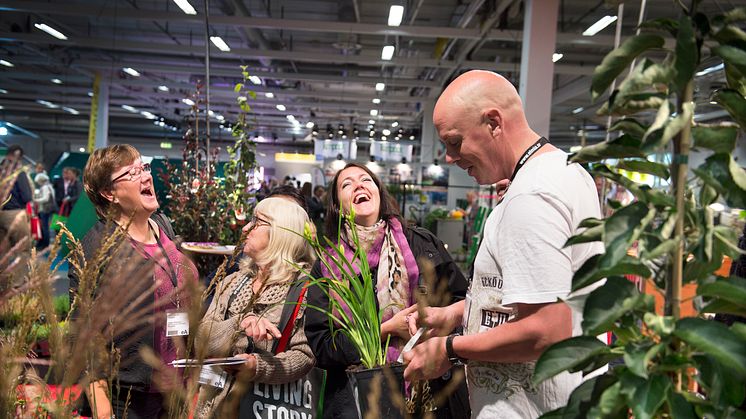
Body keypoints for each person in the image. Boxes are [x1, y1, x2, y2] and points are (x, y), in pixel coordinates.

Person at [402, 70, 604, 418]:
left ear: (494, 123)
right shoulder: (562, 170)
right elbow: (543, 291)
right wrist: (458, 312)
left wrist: (450, 349)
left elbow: (546, 332)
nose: (449, 157)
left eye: (454, 141)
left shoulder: (532, 196)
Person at [304, 162, 469, 418]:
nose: (359, 185)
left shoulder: (421, 244)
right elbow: (322, 346)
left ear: (379, 192)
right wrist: (386, 330)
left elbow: (464, 302)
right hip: (359, 400)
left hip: (429, 392)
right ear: (337, 205)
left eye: (366, 180)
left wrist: (435, 321)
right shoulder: (330, 266)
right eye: (346, 184)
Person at [69, 144, 198, 418]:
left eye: (145, 168)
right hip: (129, 400)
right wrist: (104, 413)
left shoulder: (162, 225)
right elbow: (84, 341)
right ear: (108, 193)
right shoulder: (95, 250)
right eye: (132, 172)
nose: (146, 176)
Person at [195, 197, 315, 417]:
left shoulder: (305, 290)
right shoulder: (233, 281)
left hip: (268, 408)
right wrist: (239, 322)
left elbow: (305, 356)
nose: (247, 227)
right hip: (215, 407)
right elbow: (201, 339)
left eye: (257, 221)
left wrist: (256, 367)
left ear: (281, 233)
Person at [0, 145, 33, 254]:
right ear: (20, 157)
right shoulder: (18, 172)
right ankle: (18, 272)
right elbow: (27, 196)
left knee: (3, 252)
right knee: (23, 250)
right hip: (14, 214)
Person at [32, 172, 56, 249]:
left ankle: (45, 244)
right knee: (44, 227)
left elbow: (45, 199)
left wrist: (36, 200)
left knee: (44, 227)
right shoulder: (49, 186)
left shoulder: (45, 187)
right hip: (45, 210)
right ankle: (43, 243)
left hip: (44, 210)